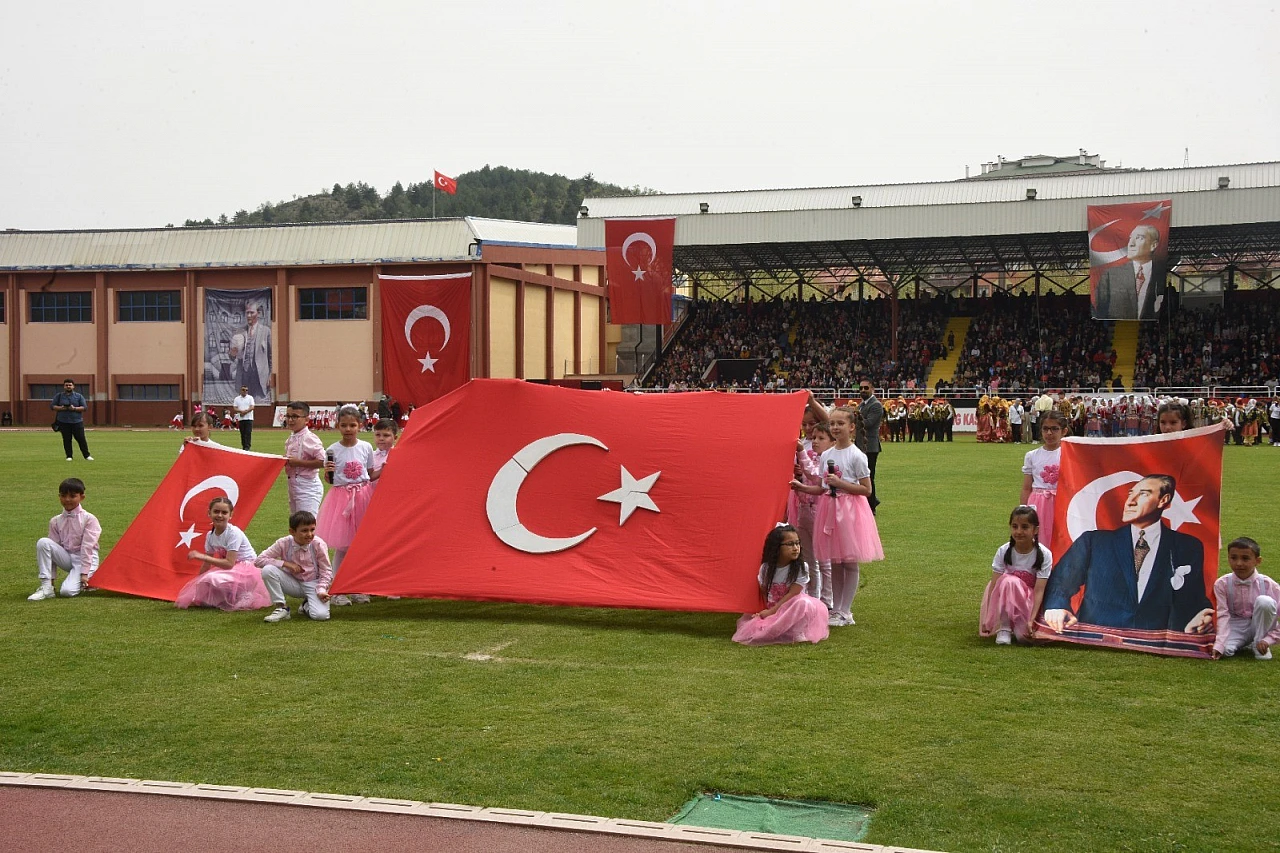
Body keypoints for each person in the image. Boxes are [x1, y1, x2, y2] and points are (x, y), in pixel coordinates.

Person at [1043, 475, 1213, 633]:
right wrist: (1056, 606)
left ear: (1163, 500)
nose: (1130, 501)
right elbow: (1060, 583)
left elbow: (1193, 597)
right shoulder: (1093, 542)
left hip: (1156, 638)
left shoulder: (1188, 546)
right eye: (1130, 494)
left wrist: (1201, 615)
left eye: (1143, 494)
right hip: (1097, 635)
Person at [792, 406, 883, 628]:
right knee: (835, 561)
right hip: (829, 510)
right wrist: (802, 487)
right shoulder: (827, 455)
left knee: (849, 562)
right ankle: (836, 608)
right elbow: (822, 487)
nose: (835, 427)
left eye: (840, 423)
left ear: (851, 427)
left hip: (850, 511)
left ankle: (846, 610)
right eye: (832, 423)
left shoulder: (857, 455)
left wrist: (841, 483)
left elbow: (866, 489)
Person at [317, 405, 379, 606]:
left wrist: (387, 468)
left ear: (360, 426)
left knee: (360, 545)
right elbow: (331, 479)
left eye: (352, 425)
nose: (348, 429)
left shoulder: (366, 447)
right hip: (341, 498)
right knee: (343, 545)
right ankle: (338, 588)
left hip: (362, 496)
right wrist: (327, 473)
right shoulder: (332, 450)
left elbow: (370, 474)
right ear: (338, 426)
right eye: (344, 425)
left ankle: (358, 587)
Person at [731, 524, 830, 646]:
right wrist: (768, 610)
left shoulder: (801, 567)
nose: (796, 548)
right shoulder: (766, 568)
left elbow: (793, 594)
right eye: (790, 544)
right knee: (756, 625)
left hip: (792, 608)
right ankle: (773, 630)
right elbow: (765, 592)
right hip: (774, 607)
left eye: (797, 543)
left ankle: (796, 630)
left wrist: (772, 611)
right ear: (776, 547)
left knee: (803, 603)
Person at [175, 497, 271, 611]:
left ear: (230, 515)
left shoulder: (233, 533)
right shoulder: (210, 535)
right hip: (230, 568)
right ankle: (230, 596)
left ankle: (245, 594)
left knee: (213, 578)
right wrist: (198, 582)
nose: (219, 515)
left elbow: (229, 563)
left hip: (247, 570)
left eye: (224, 513)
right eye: (216, 511)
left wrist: (202, 556)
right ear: (209, 513)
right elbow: (207, 563)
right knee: (206, 580)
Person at [980, 505, 1053, 645]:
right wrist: (988, 617)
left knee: (1023, 638)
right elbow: (994, 585)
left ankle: (1020, 625)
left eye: (1025, 527)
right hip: (1003, 596)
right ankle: (1004, 627)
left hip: (1027, 600)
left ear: (1035, 530)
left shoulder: (1044, 554)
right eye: (1015, 527)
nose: (1019, 531)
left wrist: (1031, 620)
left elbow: (1039, 590)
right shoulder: (1003, 551)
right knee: (1009, 582)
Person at [28, 477, 101, 600]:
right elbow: (52, 552)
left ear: (82, 497)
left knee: (67, 592)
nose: (67, 499)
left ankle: (90, 580)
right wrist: (51, 579)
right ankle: (46, 587)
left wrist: (84, 573)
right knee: (43, 542)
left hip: (86, 560)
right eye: (63, 496)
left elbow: (87, 547)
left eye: (72, 496)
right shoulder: (55, 521)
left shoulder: (89, 519)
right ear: (59, 496)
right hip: (68, 557)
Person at [256, 511, 333, 623]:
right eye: (304, 531)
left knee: (321, 616)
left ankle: (306, 605)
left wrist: (321, 589)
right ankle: (282, 608)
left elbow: (326, 570)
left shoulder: (318, 544)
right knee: (268, 570)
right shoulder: (283, 543)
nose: (309, 534)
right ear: (292, 532)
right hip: (292, 582)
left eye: (312, 530)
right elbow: (259, 560)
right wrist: (286, 564)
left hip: (314, 584)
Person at [1211, 537, 1278, 660]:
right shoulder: (1222, 584)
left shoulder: (1268, 584)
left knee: (1265, 602)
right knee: (1225, 650)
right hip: (1235, 625)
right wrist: (1220, 643)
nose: (1239, 563)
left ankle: (1259, 642)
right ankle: (1246, 641)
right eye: (1233, 558)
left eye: (1245, 558)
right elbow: (1222, 614)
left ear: (1257, 561)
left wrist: (1269, 639)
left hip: (1261, 624)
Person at [790, 421, 834, 605]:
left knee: (824, 560)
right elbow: (806, 477)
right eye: (814, 437)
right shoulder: (812, 457)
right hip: (804, 510)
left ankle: (828, 600)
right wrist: (799, 477)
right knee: (807, 558)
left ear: (832, 442)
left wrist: (800, 452)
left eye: (821, 438)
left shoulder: (829, 462)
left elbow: (815, 477)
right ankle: (813, 597)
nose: (815, 441)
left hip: (819, 512)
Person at [1095, 224, 1167, 320]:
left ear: (1153, 245)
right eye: (1130, 238)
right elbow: (1101, 309)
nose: (1131, 244)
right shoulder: (1110, 275)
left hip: (1148, 326)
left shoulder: (1160, 274)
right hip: (1119, 325)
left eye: (1139, 238)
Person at [1019, 411, 1065, 552]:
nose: (1049, 433)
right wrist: (1023, 509)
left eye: (1054, 429)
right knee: (1039, 537)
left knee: (1060, 537)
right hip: (1038, 503)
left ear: (1064, 431)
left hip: (1061, 502)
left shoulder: (1068, 454)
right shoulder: (1032, 455)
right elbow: (1026, 487)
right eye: (1045, 429)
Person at [283, 401, 326, 515]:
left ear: (306, 419)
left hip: (307, 487)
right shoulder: (291, 438)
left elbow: (323, 461)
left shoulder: (309, 438)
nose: (290, 420)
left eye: (295, 416)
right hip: (293, 485)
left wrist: (298, 463)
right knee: (297, 521)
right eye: (288, 416)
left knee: (306, 522)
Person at [234, 299, 272, 400]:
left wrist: (270, 375)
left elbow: (271, 356)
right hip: (244, 375)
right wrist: (232, 353)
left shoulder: (266, 331)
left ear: (258, 313)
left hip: (259, 375)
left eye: (251, 312)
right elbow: (233, 356)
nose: (249, 315)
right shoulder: (240, 331)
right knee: (243, 402)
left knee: (258, 401)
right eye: (247, 313)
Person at [854, 380, 883, 512]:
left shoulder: (876, 405)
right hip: (861, 444)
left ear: (872, 389)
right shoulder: (862, 405)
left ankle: (871, 506)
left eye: (866, 388)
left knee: (868, 476)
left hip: (870, 446)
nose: (863, 390)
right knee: (862, 475)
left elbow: (869, 423)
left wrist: (851, 421)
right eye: (861, 388)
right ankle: (873, 501)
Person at [51, 378, 93, 461]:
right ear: (64, 386)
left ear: (73, 386)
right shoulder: (59, 396)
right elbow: (52, 406)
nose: (68, 386)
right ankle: (69, 456)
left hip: (77, 421)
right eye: (66, 385)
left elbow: (84, 407)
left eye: (70, 385)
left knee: (81, 439)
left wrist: (74, 408)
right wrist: (61, 408)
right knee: (67, 439)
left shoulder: (79, 396)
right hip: (63, 421)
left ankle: (87, 455)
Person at [232, 385, 256, 451]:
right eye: (243, 390)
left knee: (248, 433)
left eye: (246, 390)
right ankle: (244, 446)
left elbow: (252, 407)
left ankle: (247, 447)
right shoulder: (237, 399)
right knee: (242, 433)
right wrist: (241, 411)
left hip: (249, 418)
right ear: (241, 390)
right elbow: (235, 408)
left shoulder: (250, 398)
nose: (245, 391)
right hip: (241, 419)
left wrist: (245, 412)